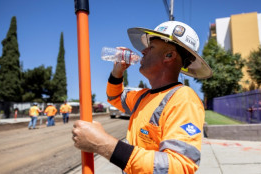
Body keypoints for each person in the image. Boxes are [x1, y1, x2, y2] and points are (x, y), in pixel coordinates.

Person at [72, 21, 212, 173]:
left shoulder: (184, 99)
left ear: (169, 55)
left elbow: (178, 165)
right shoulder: (143, 96)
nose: (143, 51)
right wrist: (117, 72)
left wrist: (103, 143)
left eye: (151, 47)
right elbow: (115, 97)